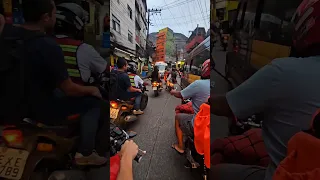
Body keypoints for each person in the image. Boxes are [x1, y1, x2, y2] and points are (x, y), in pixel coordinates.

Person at [210, 1, 320, 179]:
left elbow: (227, 105)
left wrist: (209, 101)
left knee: (215, 173)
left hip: (281, 174)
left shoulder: (282, 71)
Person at [2, 0, 108, 165]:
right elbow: (68, 89)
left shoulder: (7, 36)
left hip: (10, 107)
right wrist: (91, 90)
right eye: (52, 13)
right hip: (40, 109)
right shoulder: (48, 45)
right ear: (46, 18)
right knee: (94, 103)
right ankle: (85, 153)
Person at [54, 3, 107, 84]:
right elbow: (105, 68)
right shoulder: (84, 48)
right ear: (77, 25)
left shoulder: (44, 43)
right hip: (79, 94)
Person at [170, 59, 210, 154]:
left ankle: (180, 146)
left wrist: (173, 92)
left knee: (178, 117)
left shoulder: (198, 84)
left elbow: (180, 94)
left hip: (200, 124)